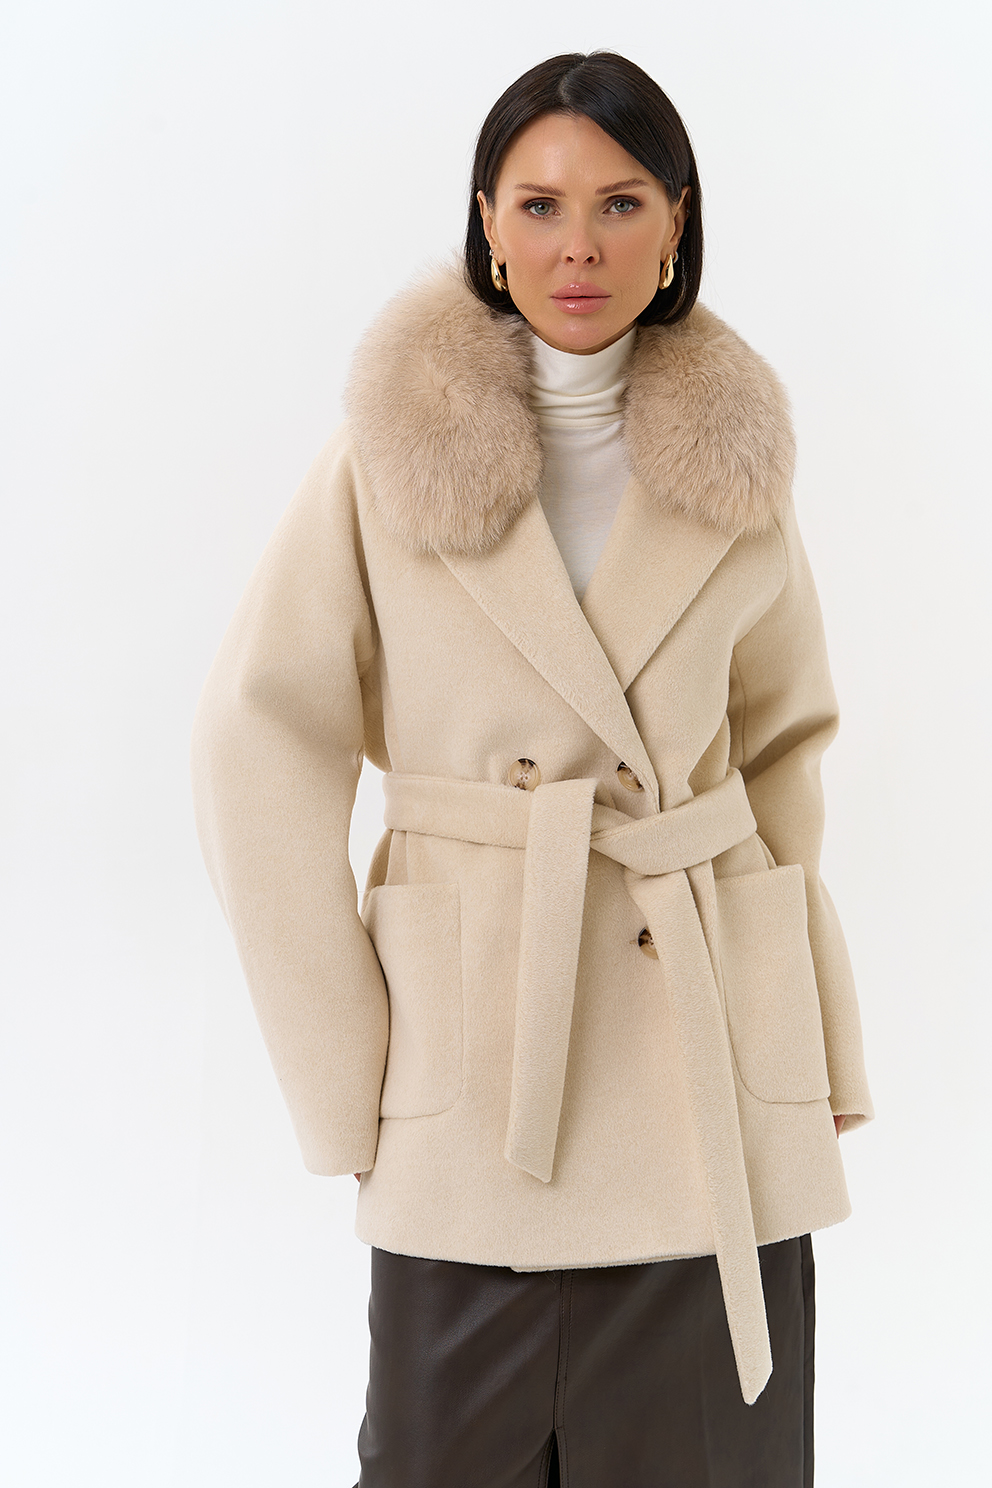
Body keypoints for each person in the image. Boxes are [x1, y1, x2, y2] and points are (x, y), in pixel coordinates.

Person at [191, 50, 873, 1488]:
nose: (579, 246)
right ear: (486, 226)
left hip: (701, 1085)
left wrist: (806, 1039)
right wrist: (344, 1065)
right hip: (475, 1072)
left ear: (677, 225)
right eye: (541, 204)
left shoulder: (739, 472)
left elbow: (784, 753)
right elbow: (260, 738)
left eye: (621, 203)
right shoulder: (383, 462)